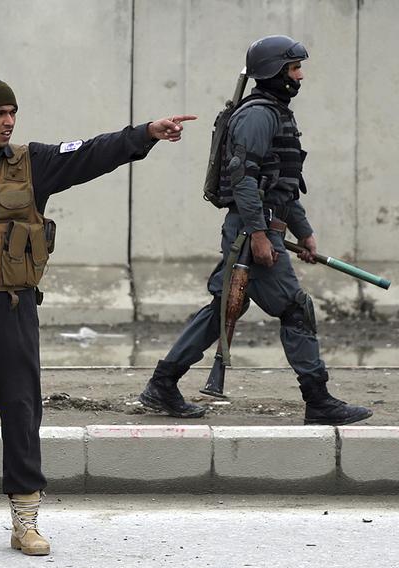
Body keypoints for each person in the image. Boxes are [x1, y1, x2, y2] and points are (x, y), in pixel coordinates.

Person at [0, 76, 195, 558]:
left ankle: (25, 520)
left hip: (14, 309)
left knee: (21, 412)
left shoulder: (31, 163)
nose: (9, 121)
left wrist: (145, 132)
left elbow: (90, 154)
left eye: (12, 112)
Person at [138, 35, 373, 427]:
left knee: (223, 308)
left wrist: (304, 231)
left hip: (259, 226)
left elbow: (280, 184)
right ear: (276, 72)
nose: (300, 76)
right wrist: (261, 235)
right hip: (251, 232)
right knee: (295, 308)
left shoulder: (275, 113)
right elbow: (243, 179)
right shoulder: (258, 115)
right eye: (295, 68)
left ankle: (163, 384)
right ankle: (318, 401)